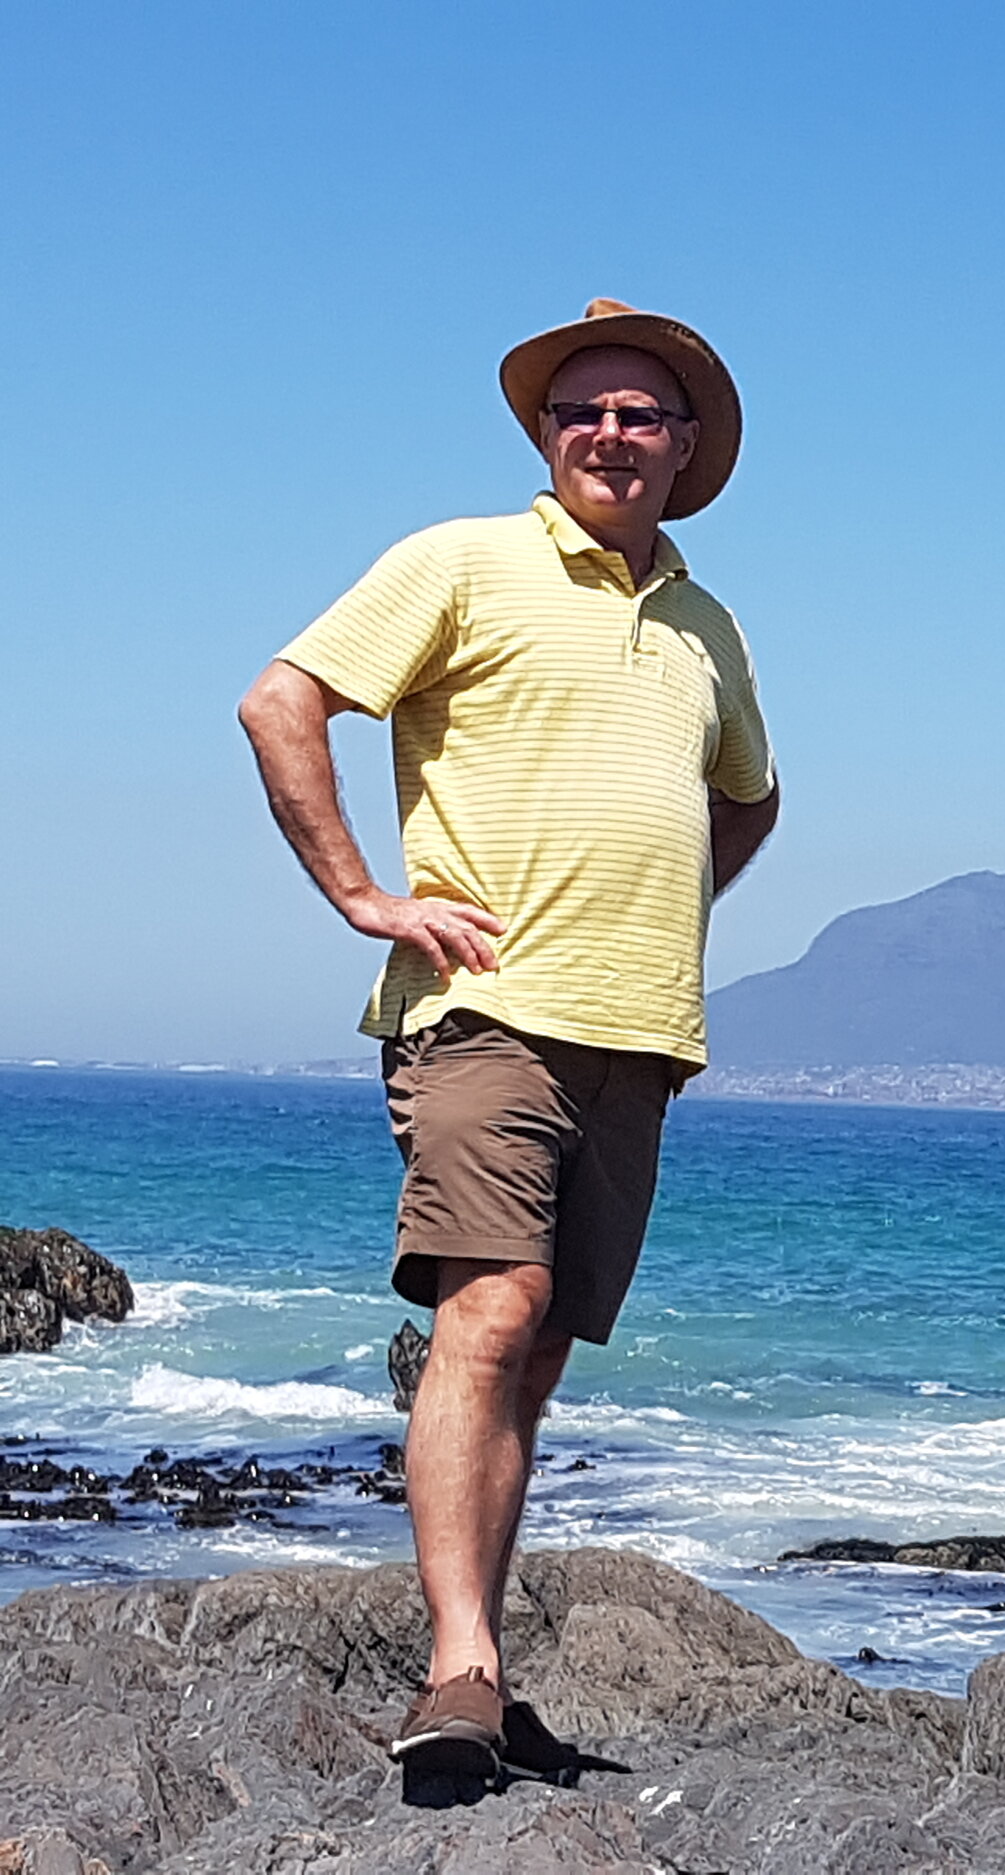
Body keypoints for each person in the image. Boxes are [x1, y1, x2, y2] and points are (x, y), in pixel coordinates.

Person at [237, 300, 778, 1781]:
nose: (611, 434)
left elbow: (750, 797)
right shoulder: (460, 561)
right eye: (583, 411)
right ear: (549, 435)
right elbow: (283, 702)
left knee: (532, 1352)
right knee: (493, 1304)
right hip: (482, 1009)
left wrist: (661, 906)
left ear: (684, 450)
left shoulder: (705, 625)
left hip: (637, 1032)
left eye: (641, 416)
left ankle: (474, 1660)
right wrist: (362, 893)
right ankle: (461, 1670)